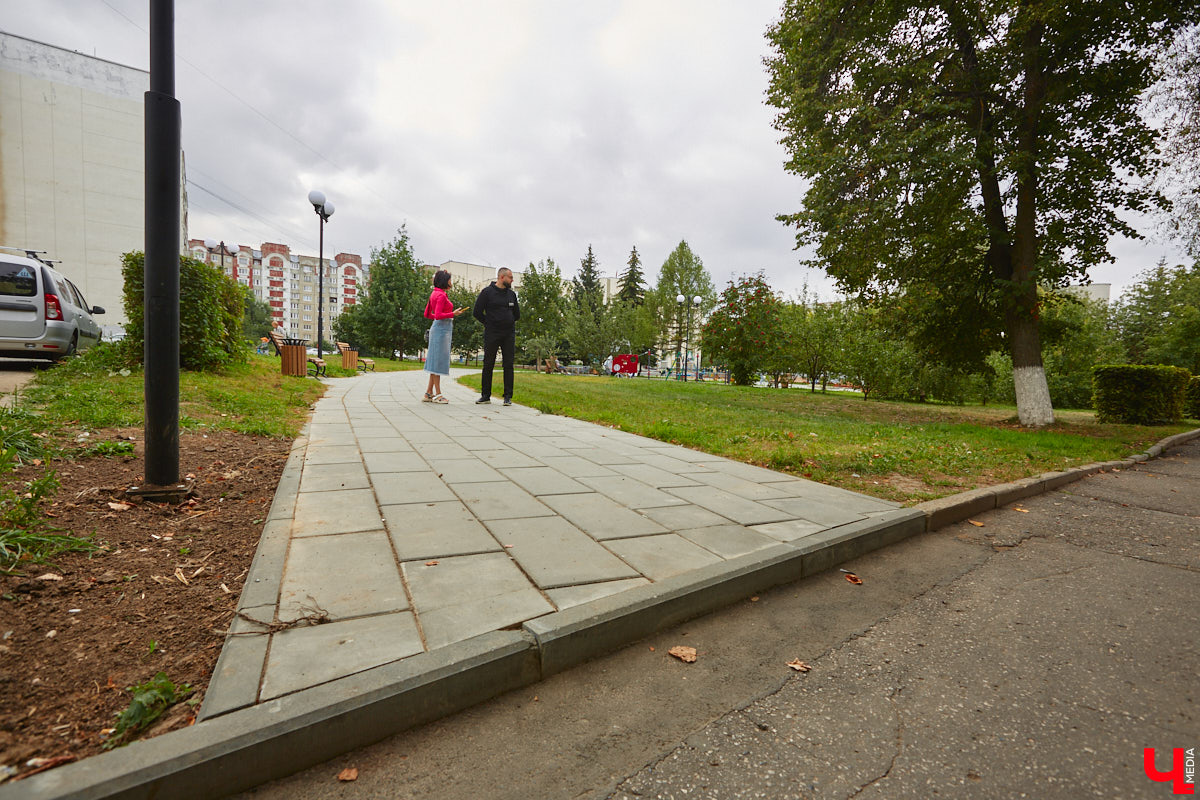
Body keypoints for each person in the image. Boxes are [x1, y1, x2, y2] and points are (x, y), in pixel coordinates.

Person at [472, 267, 520, 406]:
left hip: (508, 334)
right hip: (492, 333)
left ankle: (507, 397)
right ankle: (485, 396)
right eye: (510, 277)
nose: (512, 280)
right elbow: (477, 312)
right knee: (488, 364)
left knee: (508, 364)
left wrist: (508, 321)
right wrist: (489, 323)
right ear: (501, 277)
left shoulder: (512, 295)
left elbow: (517, 315)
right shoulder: (487, 293)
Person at [422, 269, 468, 404]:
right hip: (442, 330)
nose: (450, 282)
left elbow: (428, 314)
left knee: (434, 361)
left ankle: (428, 393)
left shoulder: (434, 293)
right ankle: (438, 394)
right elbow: (438, 314)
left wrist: (439, 319)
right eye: (449, 279)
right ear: (445, 281)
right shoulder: (441, 296)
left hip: (437, 328)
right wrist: (453, 314)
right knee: (437, 362)